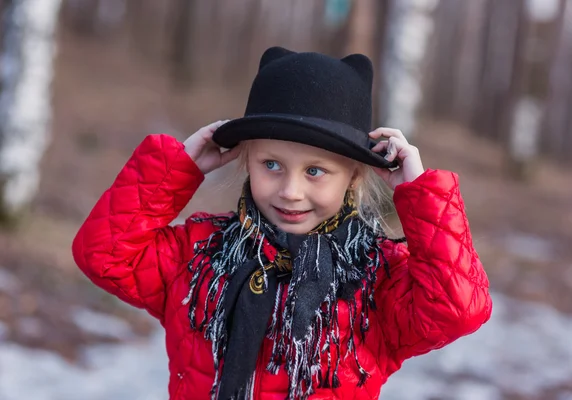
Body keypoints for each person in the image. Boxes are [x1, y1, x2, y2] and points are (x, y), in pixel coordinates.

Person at [72, 46, 492, 400]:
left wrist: (419, 192)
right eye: (271, 164)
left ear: (354, 174)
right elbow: (104, 253)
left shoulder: (375, 279)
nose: (290, 190)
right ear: (246, 160)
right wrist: (177, 168)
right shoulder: (200, 254)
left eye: (315, 171)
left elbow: (457, 308)